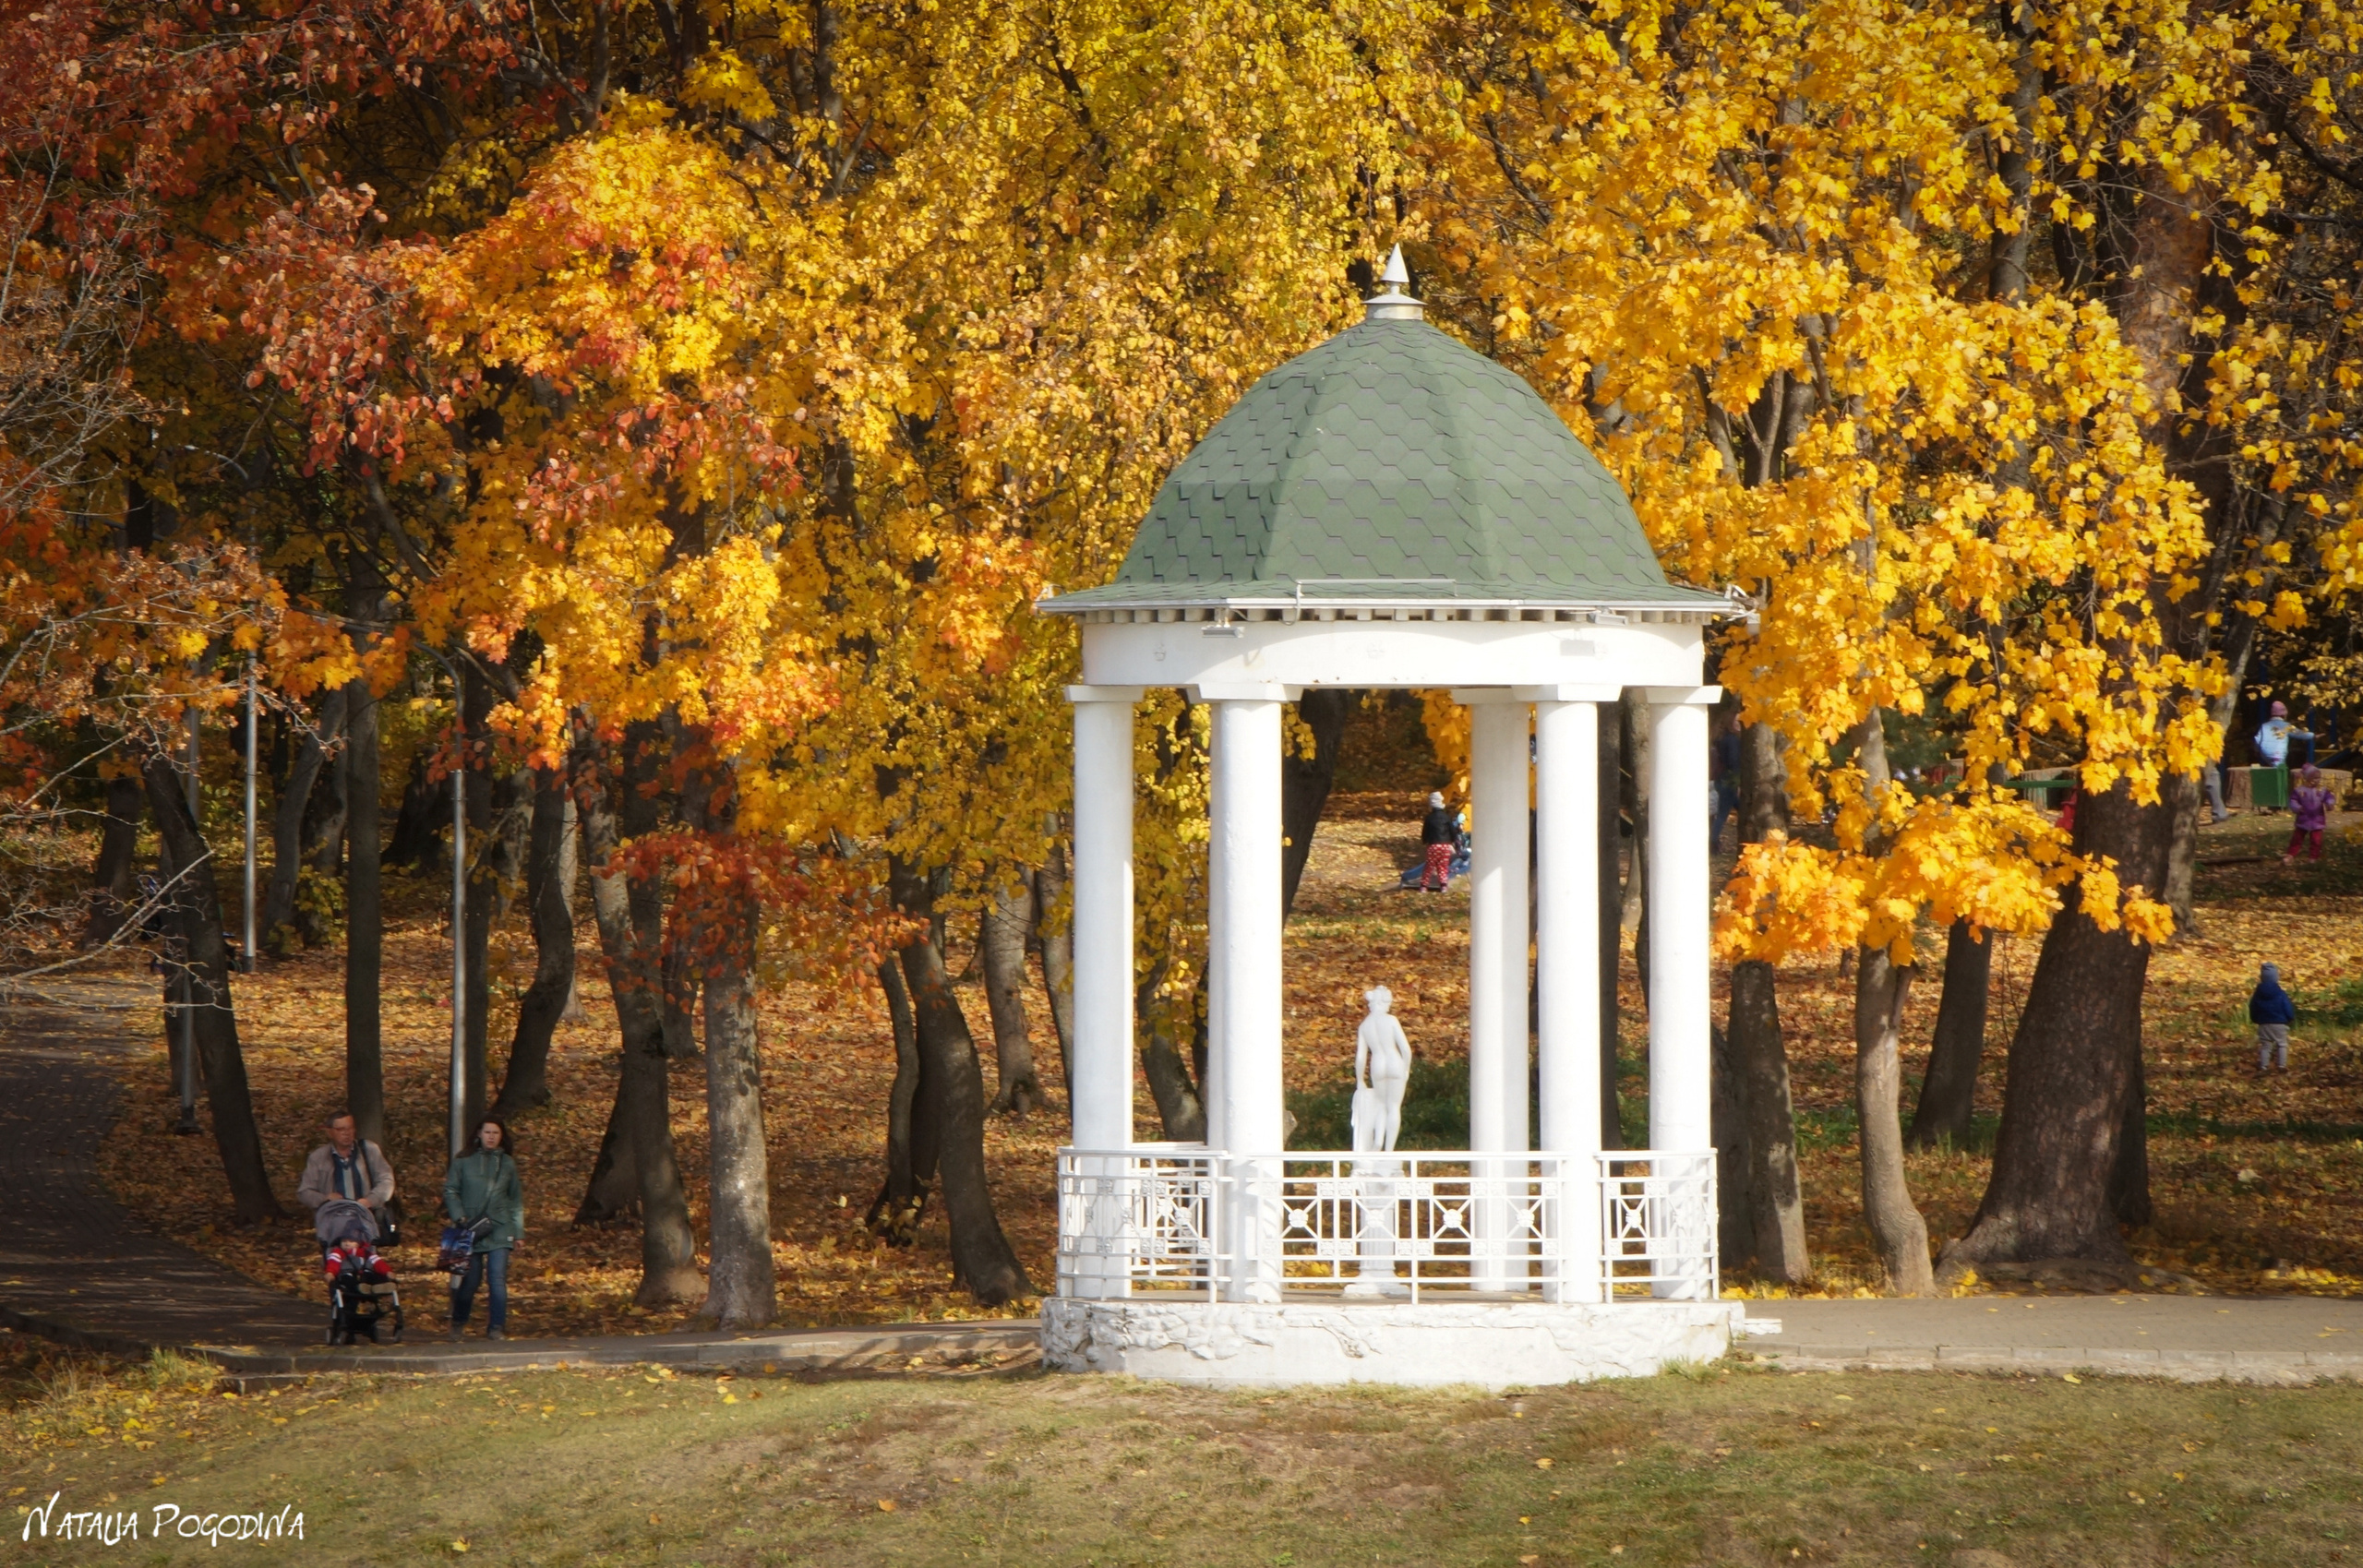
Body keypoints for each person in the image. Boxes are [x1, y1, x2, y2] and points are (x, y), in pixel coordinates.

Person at [442, 1118, 524, 1341]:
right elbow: (451, 1191)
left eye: (496, 1133)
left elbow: (515, 1199)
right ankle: (459, 1321)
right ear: (478, 1133)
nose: (491, 1136)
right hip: (471, 1228)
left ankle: (496, 1327)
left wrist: (518, 1232)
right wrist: (460, 1216)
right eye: (487, 1132)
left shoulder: (507, 1163)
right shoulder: (463, 1161)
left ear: (501, 1136)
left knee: (497, 1279)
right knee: (471, 1281)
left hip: (500, 1226)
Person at [295, 1111, 395, 1227]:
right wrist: (325, 1198)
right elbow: (304, 1192)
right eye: (341, 1129)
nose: (347, 1133)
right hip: (333, 1224)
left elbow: (386, 1180)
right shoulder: (318, 1157)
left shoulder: (369, 1150)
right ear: (329, 1132)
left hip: (367, 1220)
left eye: (350, 1128)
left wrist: (370, 1200)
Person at [1351, 987, 1413, 1154]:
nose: (1389, 1006)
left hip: (1377, 1065)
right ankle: (1389, 1150)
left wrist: (1360, 1080)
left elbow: (1361, 1058)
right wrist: (1406, 1069)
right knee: (1393, 1107)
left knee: (1380, 1105)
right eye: (1388, 1003)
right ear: (1382, 1003)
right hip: (1395, 1063)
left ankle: (1378, 1142)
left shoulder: (1364, 1026)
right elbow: (1406, 1049)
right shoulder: (1391, 1020)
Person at [2249, 962, 2296, 1074]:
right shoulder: (2280, 993)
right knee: (2282, 1044)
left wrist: (2255, 1019)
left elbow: (2253, 1007)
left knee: (2266, 1046)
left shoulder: (2257, 994)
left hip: (2264, 1024)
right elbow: (2286, 1007)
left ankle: (2264, 1066)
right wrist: (2290, 1018)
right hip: (2280, 1023)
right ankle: (2281, 1065)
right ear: (2276, 977)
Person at [2285, 764, 2335, 863]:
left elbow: (2329, 797)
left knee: (2316, 840)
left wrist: (2329, 803)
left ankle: (2313, 856)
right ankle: (2291, 854)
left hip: (2317, 819)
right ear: (2307, 778)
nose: (2317, 780)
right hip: (2303, 818)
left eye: (2319, 777)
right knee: (2297, 838)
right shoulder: (2300, 790)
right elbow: (2293, 800)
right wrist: (2297, 807)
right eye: (2315, 777)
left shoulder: (2322, 790)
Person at [1710, 714, 1743, 849]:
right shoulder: (1732, 740)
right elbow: (1733, 762)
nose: (1740, 724)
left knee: (1743, 809)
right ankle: (1712, 841)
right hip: (1728, 782)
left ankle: (1713, 841)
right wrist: (1738, 782)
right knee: (1723, 813)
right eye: (1737, 721)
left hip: (1723, 780)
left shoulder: (1723, 738)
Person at [1419, 791, 1457, 892]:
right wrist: (1453, 840)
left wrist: (1425, 841)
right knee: (1443, 866)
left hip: (1433, 845)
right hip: (1445, 845)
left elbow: (1425, 832)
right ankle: (1443, 885)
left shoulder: (1429, 818)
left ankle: (1424, 886)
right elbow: (1452, 831)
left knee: (1429, 866)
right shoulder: (1446, 817)